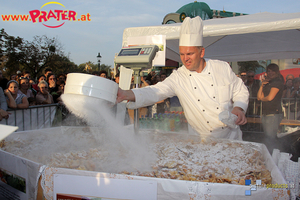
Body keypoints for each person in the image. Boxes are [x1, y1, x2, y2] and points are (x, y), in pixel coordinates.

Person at [117, 16, 248, 140]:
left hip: (230, 138)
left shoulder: (222, 68)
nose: (185, 59)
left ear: (201, 52)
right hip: (200, 141)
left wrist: (239, 108)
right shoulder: (179, 77)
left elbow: (240, 90)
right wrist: (125, 94)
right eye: (182, 54)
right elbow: (155, 91)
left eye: (190, 53)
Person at [257, 63, 284, 152]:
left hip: (273, 113)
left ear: (277, 72)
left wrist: (262, 98)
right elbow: (258, 97)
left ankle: (272, 154)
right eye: (269, 71)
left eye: (273, 71)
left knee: (270, 137)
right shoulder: (269, 83)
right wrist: (262, 85)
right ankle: (271, 153)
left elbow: (270, 97)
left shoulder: (278, 82)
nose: (270, 73)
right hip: (267, 113)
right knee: (268, 136)